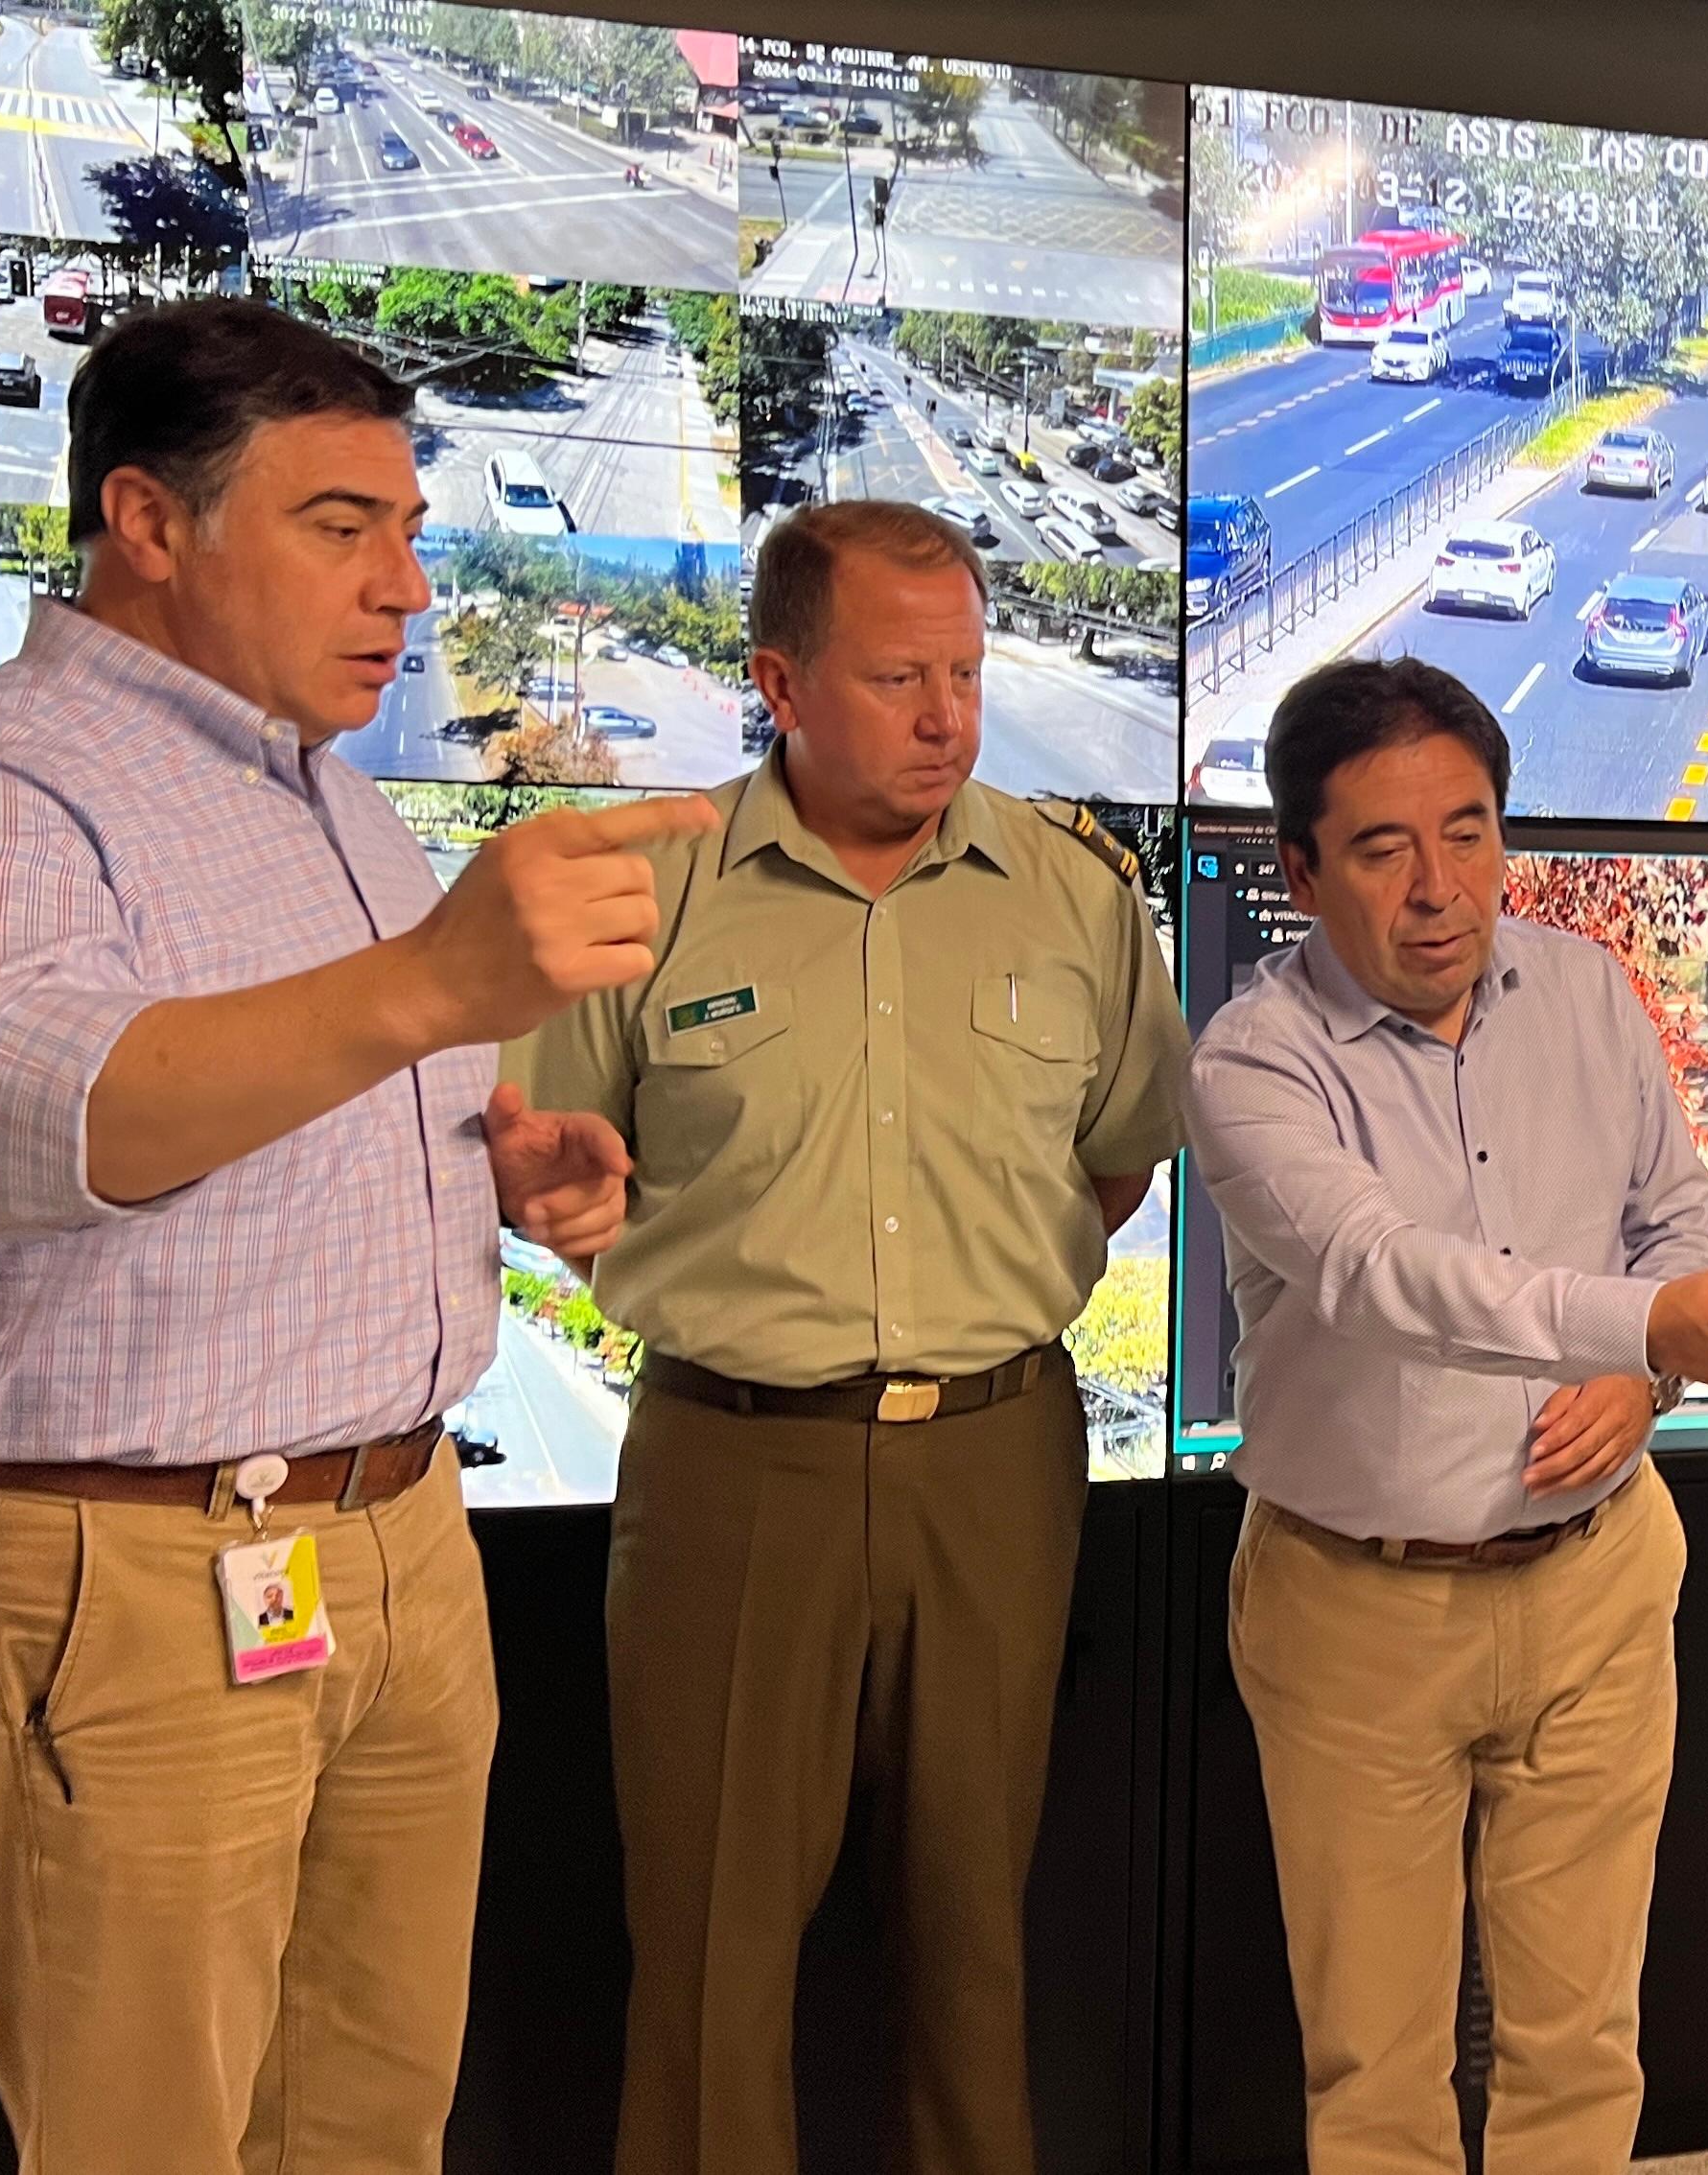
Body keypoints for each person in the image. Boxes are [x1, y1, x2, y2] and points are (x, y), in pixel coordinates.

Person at [0, 296, 714, 2171]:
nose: (406, 584)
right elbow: (15, 1108)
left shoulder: (337, 802)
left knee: (371, 2129)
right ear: (149, 521)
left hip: (396, 1547)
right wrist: (432, 986)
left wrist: (500, 1169)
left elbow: (306, 1096)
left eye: (407, 528)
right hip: (140, 1570)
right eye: (341, 527)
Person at [506, 500, 1186, 2175]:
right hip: (735, 1467)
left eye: (966, 673)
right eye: (899, 679)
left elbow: (1114, 1160)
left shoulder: (1073, 895)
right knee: (711, 1952)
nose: (949, 718)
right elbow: (554, 1158)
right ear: (780, 683)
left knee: (975, 1940)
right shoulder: (652, 898)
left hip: (994, 1461)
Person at [1184, 656, 1708, 2172]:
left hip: (1597, 1585)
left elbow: (1672, 1217)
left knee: (1581, 2045)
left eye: (1468, 832)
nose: (1439, 890)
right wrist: (1647, 1327)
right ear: (1302, 872)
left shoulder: (1590, 994)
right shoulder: (1251, 1062)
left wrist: (1642, 1376)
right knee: (1378, 2072)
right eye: (1382, 849)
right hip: (1359, 1610)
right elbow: (1385, 1276)